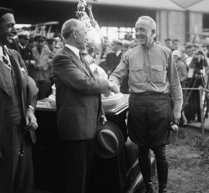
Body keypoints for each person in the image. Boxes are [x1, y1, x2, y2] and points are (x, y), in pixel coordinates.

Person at [109, 16, 183, 193]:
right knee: (142, 150)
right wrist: (110, 81)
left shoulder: (166, 53)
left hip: (160, 106)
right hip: (137, 106)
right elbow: (117, 75)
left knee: (160, 151)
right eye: (137, 29)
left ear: (153, 32)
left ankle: (163, 188)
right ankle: (148, 185)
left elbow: (174, 84)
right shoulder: (129, 54)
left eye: (142, 29)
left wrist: (177, 110)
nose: (138, 33)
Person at [53, 18, 119, 193]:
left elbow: (90, 87)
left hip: (87, 125)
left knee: (85, 177)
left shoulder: (80, 57)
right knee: (76, 180)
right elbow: (84, 84)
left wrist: (101, 111)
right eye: (85, 33)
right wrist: (108, 83)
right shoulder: (62, 58)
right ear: (75, 34)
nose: (88, 38)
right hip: (76, 128)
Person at [0, 7, 39, 193]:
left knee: (24, 185)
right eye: (10, 26)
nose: (15, 30)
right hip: (3, 139)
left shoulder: (14, 55)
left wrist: (30, 109)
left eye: (14, 25)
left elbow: (29, 83)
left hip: (23, 134)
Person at [31, 35, 53, 99]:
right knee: (35, 94)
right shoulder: (32, 50)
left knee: (44, 94)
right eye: (38, 42)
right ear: (35, 42)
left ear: (44, 42)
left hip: (45, 75)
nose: (40, 43)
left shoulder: (47, 50)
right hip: (35, 76)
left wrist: (48, 65)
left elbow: (53, 58)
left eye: (42, 42)